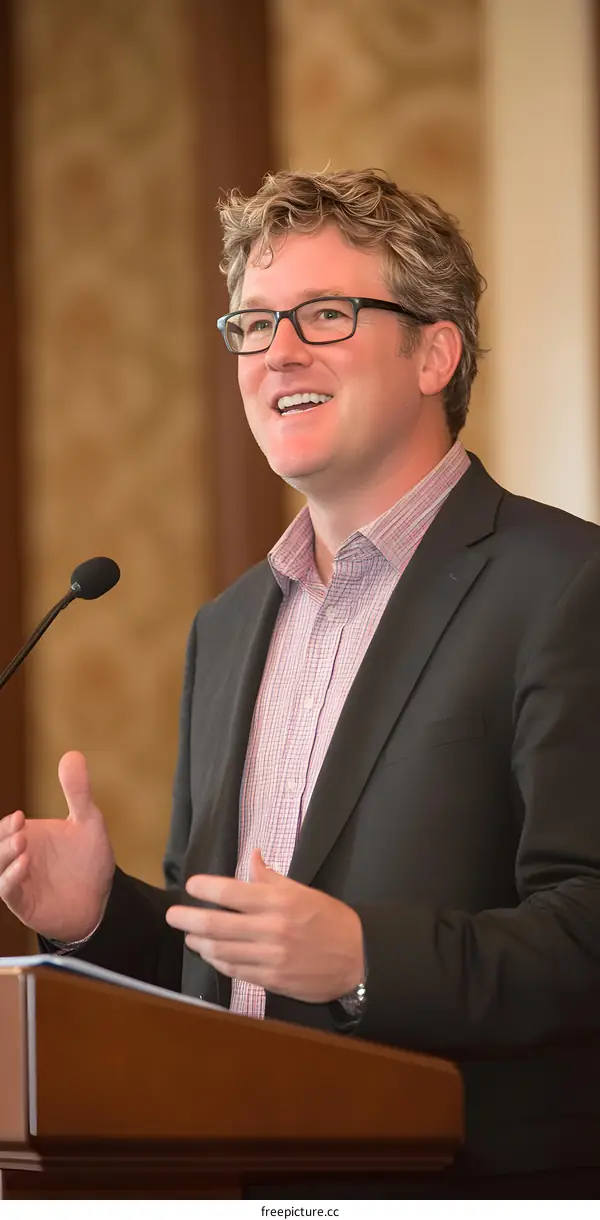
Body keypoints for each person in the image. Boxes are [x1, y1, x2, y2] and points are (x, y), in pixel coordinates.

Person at [1, 168, 600, 1199]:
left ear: (435, 349)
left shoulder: (567, 585)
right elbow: (231, 983)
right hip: (246, 1181)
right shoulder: (227, 627)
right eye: (254, 322)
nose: (277, 351)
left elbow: (587, 926)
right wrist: (100, 914)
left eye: (325, 314)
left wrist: (369, 956)